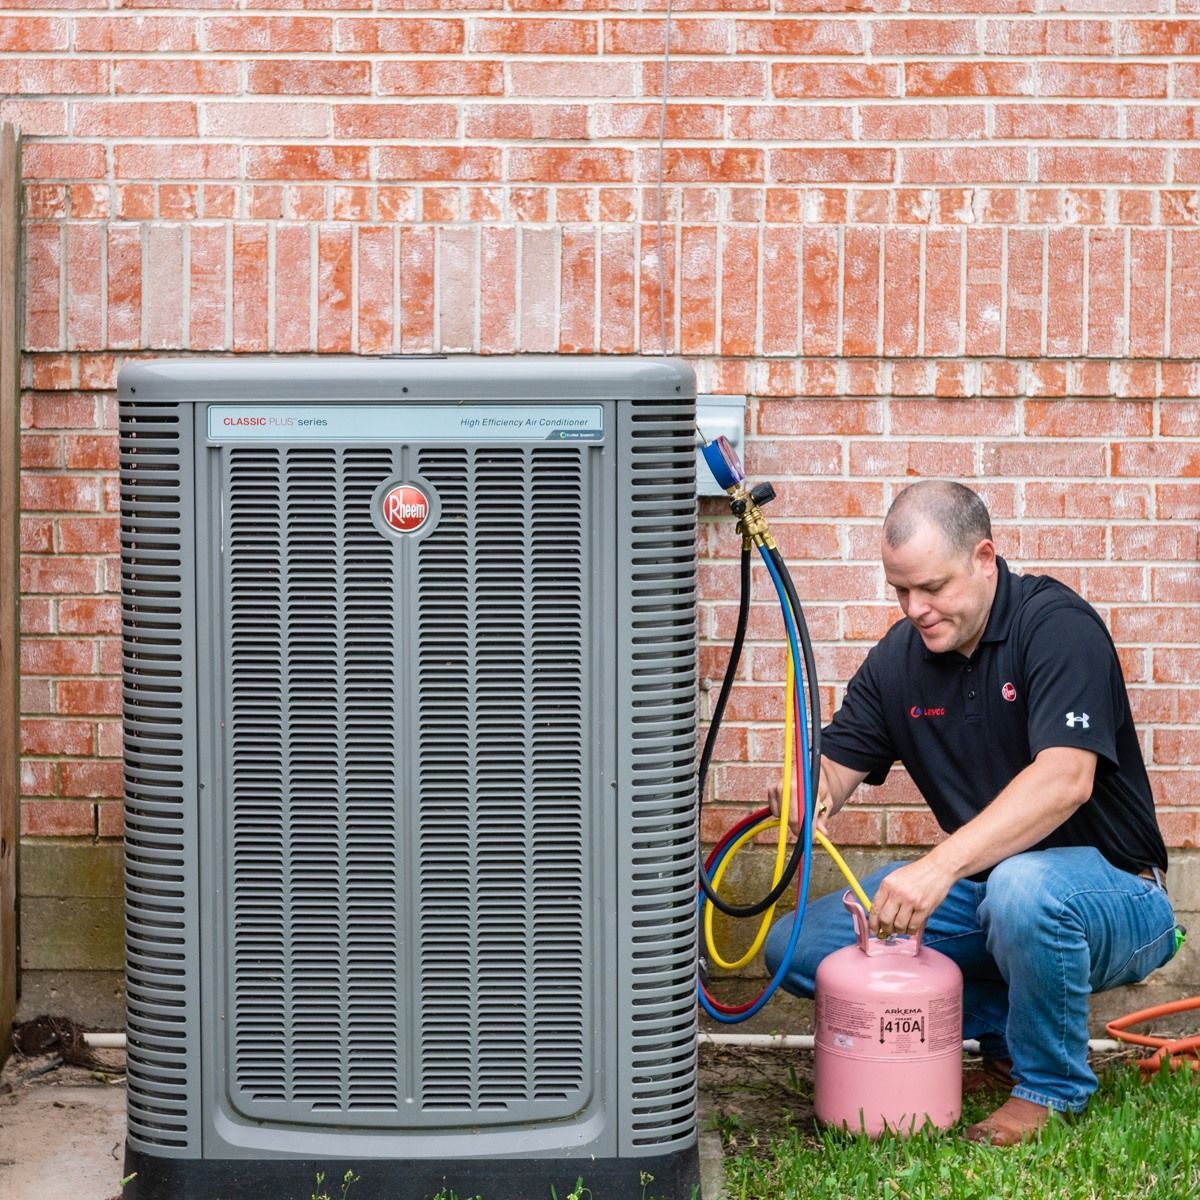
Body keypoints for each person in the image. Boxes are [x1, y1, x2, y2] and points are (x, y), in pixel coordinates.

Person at [763, 480, 1178, 1145]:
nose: (916, 608)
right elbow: (837, 767)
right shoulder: (900, 661)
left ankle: (1051, 1088)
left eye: (933, 587)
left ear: (985, 558)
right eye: (900, 591)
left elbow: (1065, 780)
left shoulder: (1056, 628)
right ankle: (1008, 1035)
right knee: (799, 948)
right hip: (991, 895)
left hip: (1121, 896)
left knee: (1023, 888)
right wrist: (807, 790)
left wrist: (939, 867)